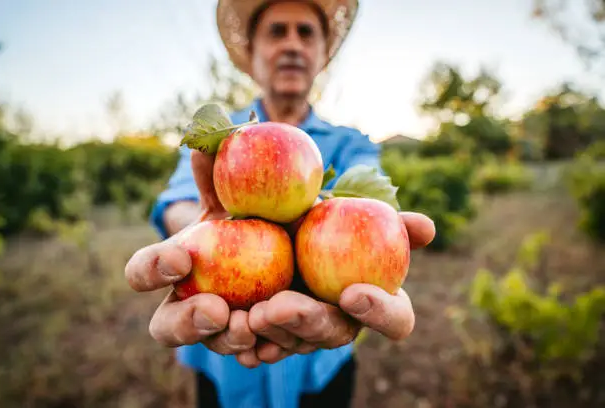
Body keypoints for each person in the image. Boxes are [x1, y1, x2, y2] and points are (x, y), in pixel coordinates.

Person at [124, 1, 436, 407]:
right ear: (251, 56)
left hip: (322, 367)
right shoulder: (221, 141)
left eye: (306, 33)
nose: (292, 45)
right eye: (277, 32)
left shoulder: (350, 143)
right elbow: (178, 203)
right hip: (222, 365)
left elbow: (369, 217)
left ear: (323, 55)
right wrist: (200, 235)